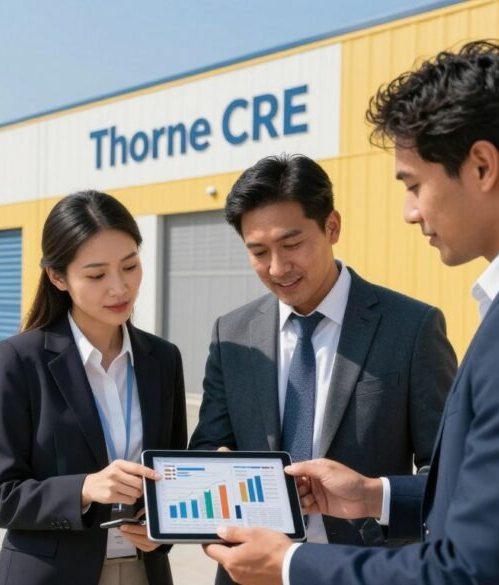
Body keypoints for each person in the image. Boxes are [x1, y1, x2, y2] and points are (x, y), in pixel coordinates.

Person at [203, 40, 499, 585]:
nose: (409, 211)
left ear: (481, 166)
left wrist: (287, 563)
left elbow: (473, 571)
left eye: (414, 184)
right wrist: (376, 494)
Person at [188, 154, 456, 582]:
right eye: (258, 252)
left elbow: (449, 475)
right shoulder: (233, 334)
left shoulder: (411, 328)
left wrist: (374, 496)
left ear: (332, 226)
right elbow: (207, 447)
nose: (277, 268)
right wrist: (217, 483)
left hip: (362, 570)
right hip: (252, 573)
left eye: (291, 245)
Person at [0, 190, 188, 585]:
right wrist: (85, 489)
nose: (120, 288)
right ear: (58, 277)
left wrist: (161, 533)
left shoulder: (163, 359)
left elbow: (170, 475)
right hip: (50, 575)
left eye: (130, 266)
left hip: (145, 572)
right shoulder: (20, 360)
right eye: (96, 275)